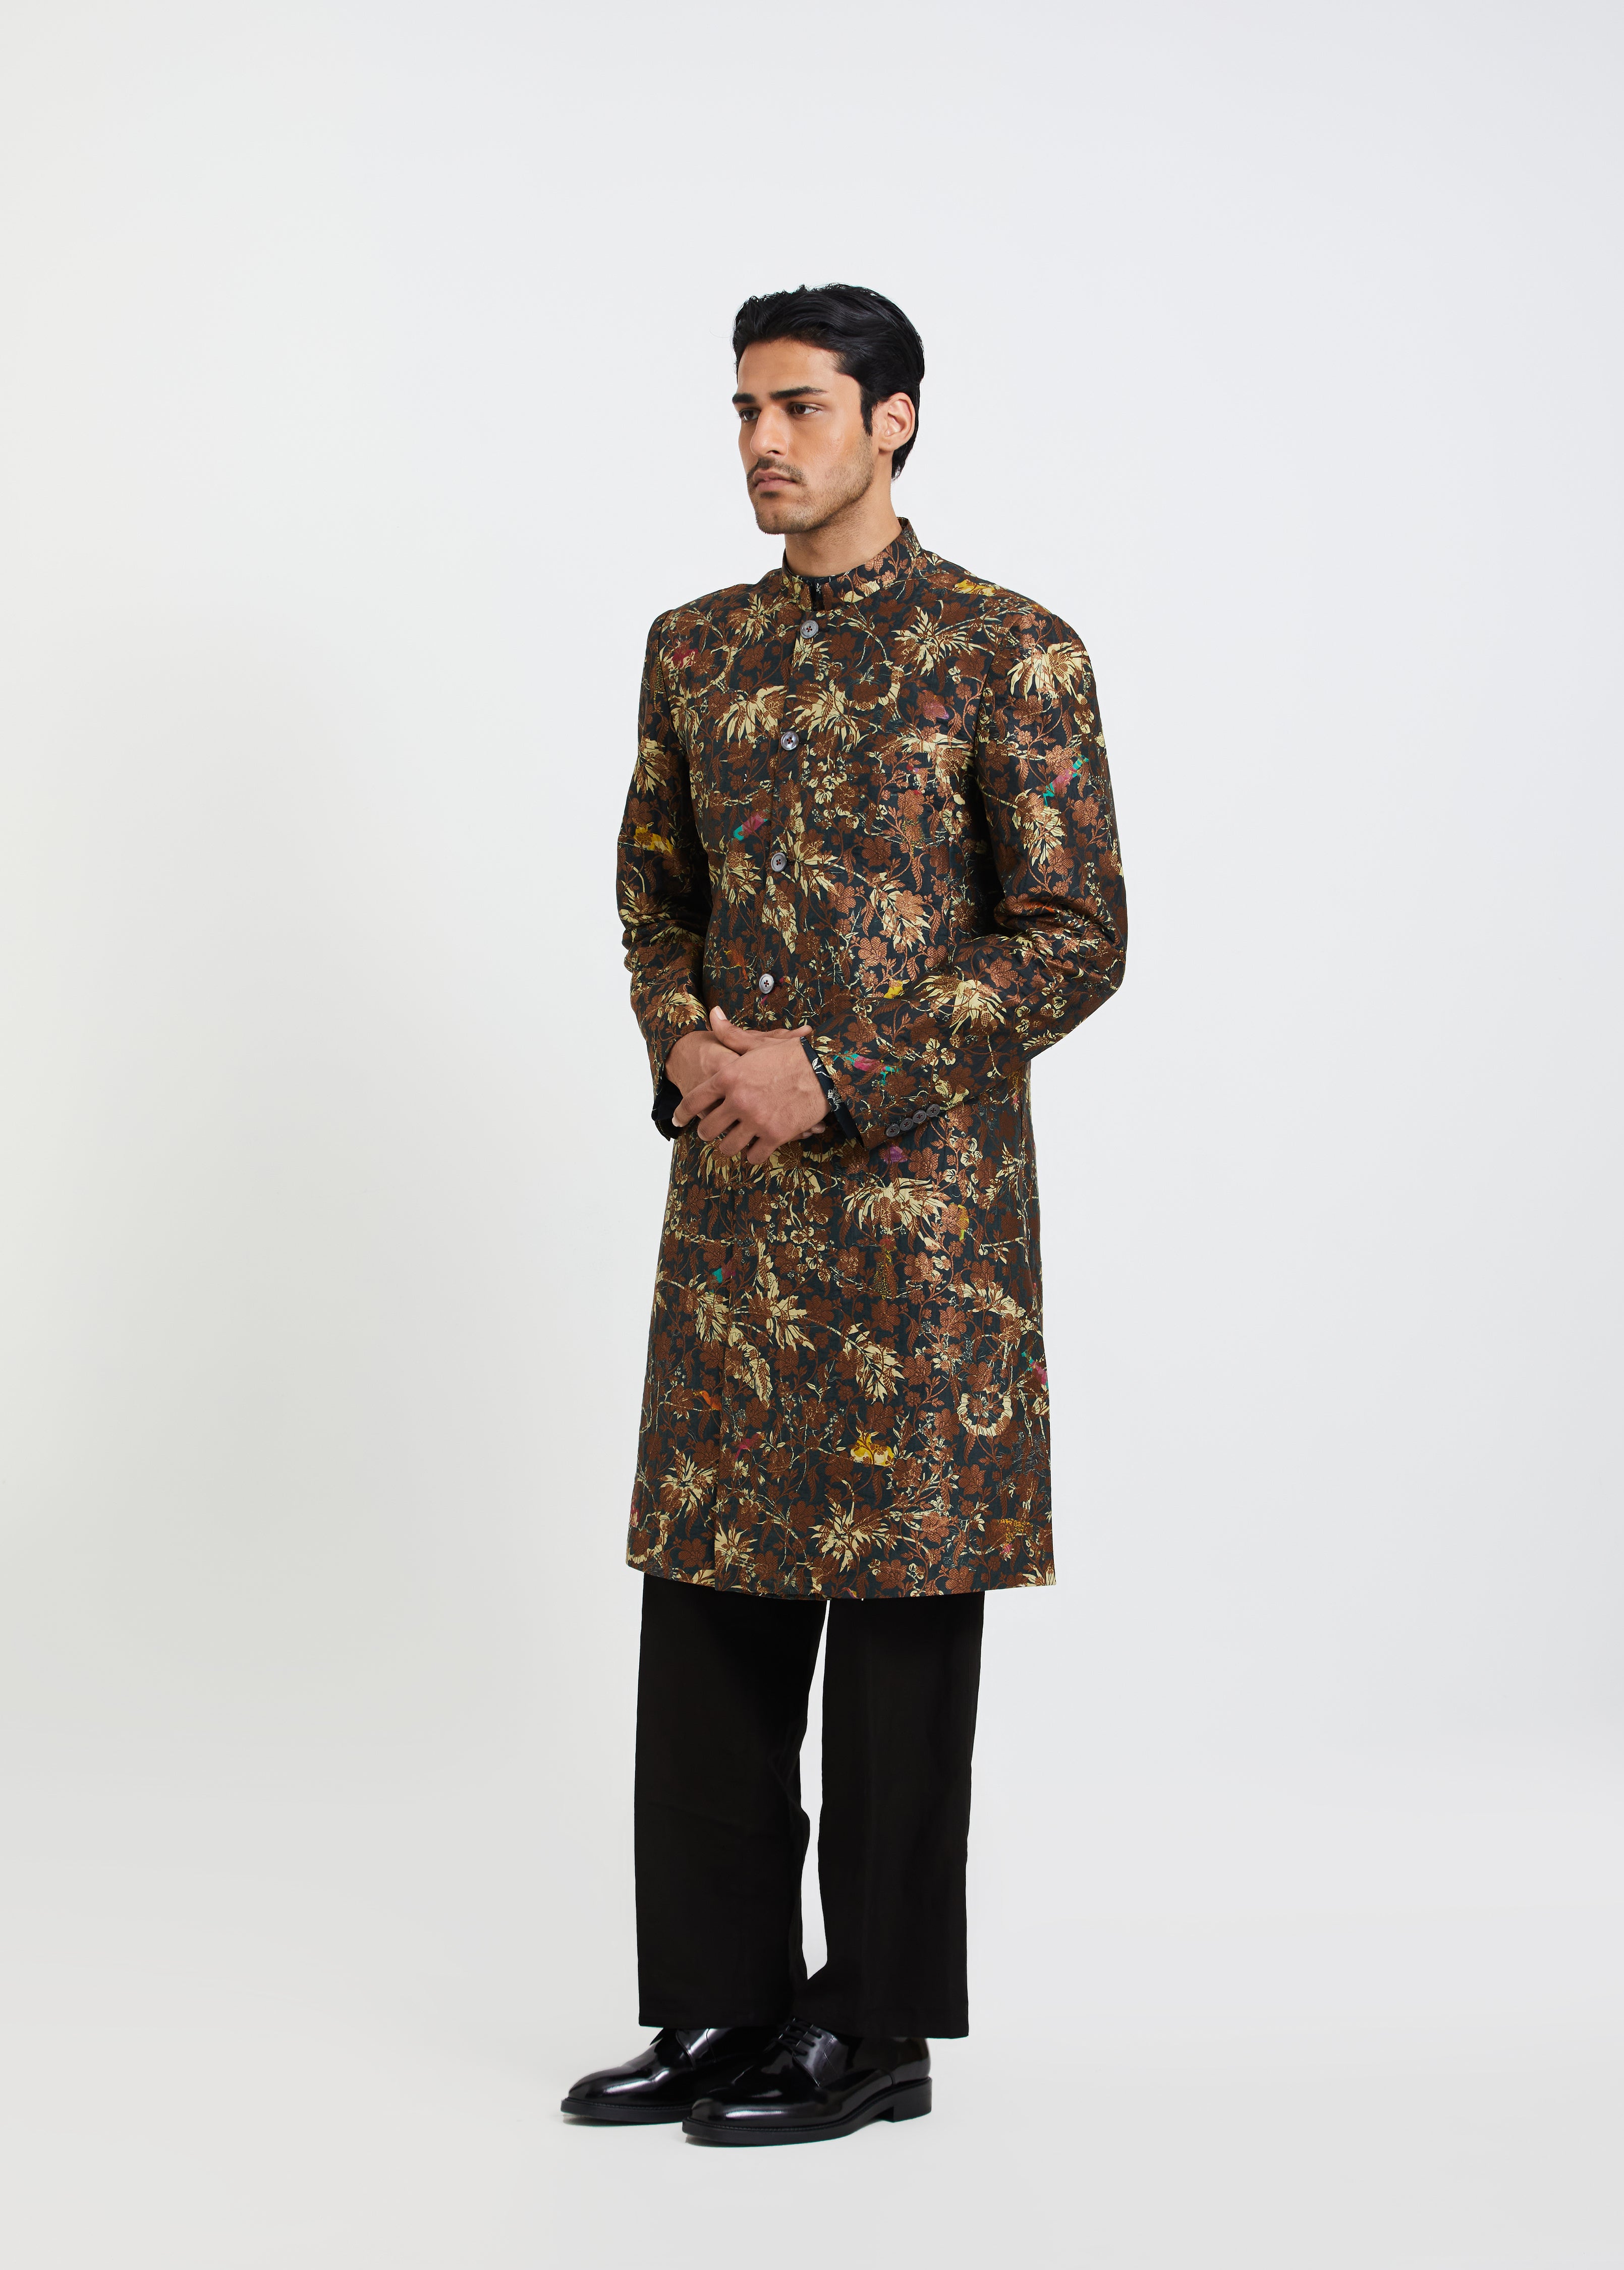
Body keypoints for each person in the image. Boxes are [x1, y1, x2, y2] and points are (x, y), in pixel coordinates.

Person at [562, 283, 1127, 2146]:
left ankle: (872, 2027)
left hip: (918, 1227)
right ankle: (718, 2004)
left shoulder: (1008, 651)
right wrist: (685, 1040)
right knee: (710, 1602)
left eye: (799, 406)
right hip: (735, 1214)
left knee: (894, 1618)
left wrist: (842, 1068)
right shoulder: (696, 650)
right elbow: (653, 897)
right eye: (742, 409)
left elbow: (1075, 934)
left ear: (894, 419)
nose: (761, 442)